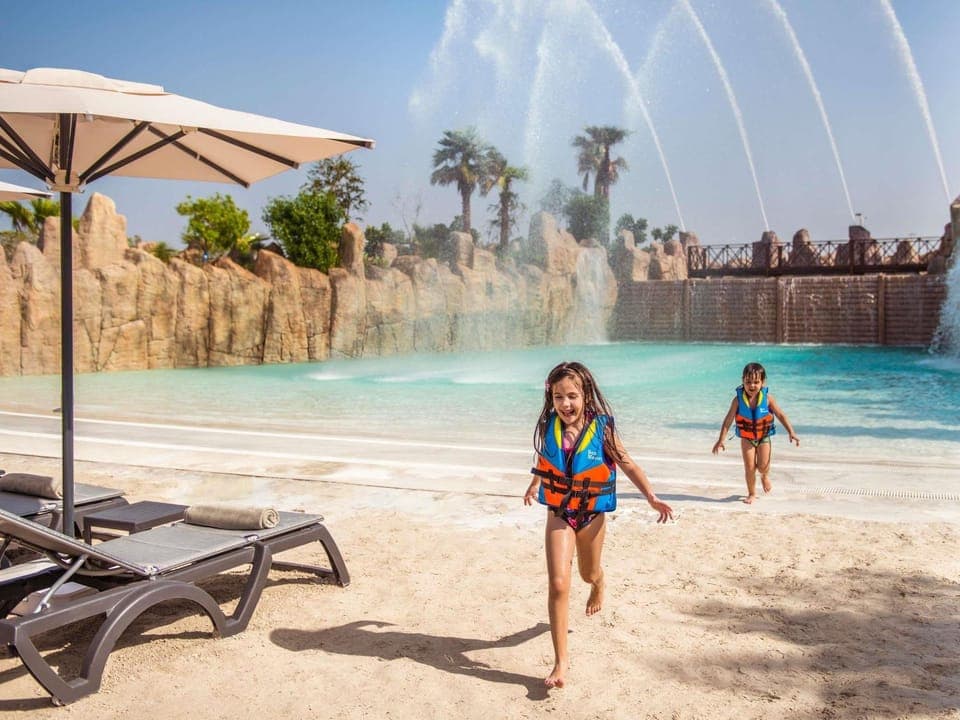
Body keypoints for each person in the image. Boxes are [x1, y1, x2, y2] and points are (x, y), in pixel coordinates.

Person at [523, 361, 673, 689]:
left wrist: (651, 497)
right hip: (559, 511)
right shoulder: (550, 424)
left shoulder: (602, 429)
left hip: (591, 514)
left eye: (572, 396)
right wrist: (535, 483)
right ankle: (561, 663)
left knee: (587, 573)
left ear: (586, 395)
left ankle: (598, 582)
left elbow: (627, 463)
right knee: (559, 584)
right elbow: (546, 459)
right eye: (559, 397)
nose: (565, 404)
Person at [712, 362, 799, 504]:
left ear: (763, 382)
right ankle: (752, 493)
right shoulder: (737, 401)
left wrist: (791, 432)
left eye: (756, 382)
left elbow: (781, 415)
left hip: (764, 437)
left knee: (763, 466)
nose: (752, 386)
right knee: (750, 467)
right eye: (748, 382)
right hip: (747, 438)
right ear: (742, 381)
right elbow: (728, 420)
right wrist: (721, 439)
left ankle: (764, 476)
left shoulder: (768, 399)